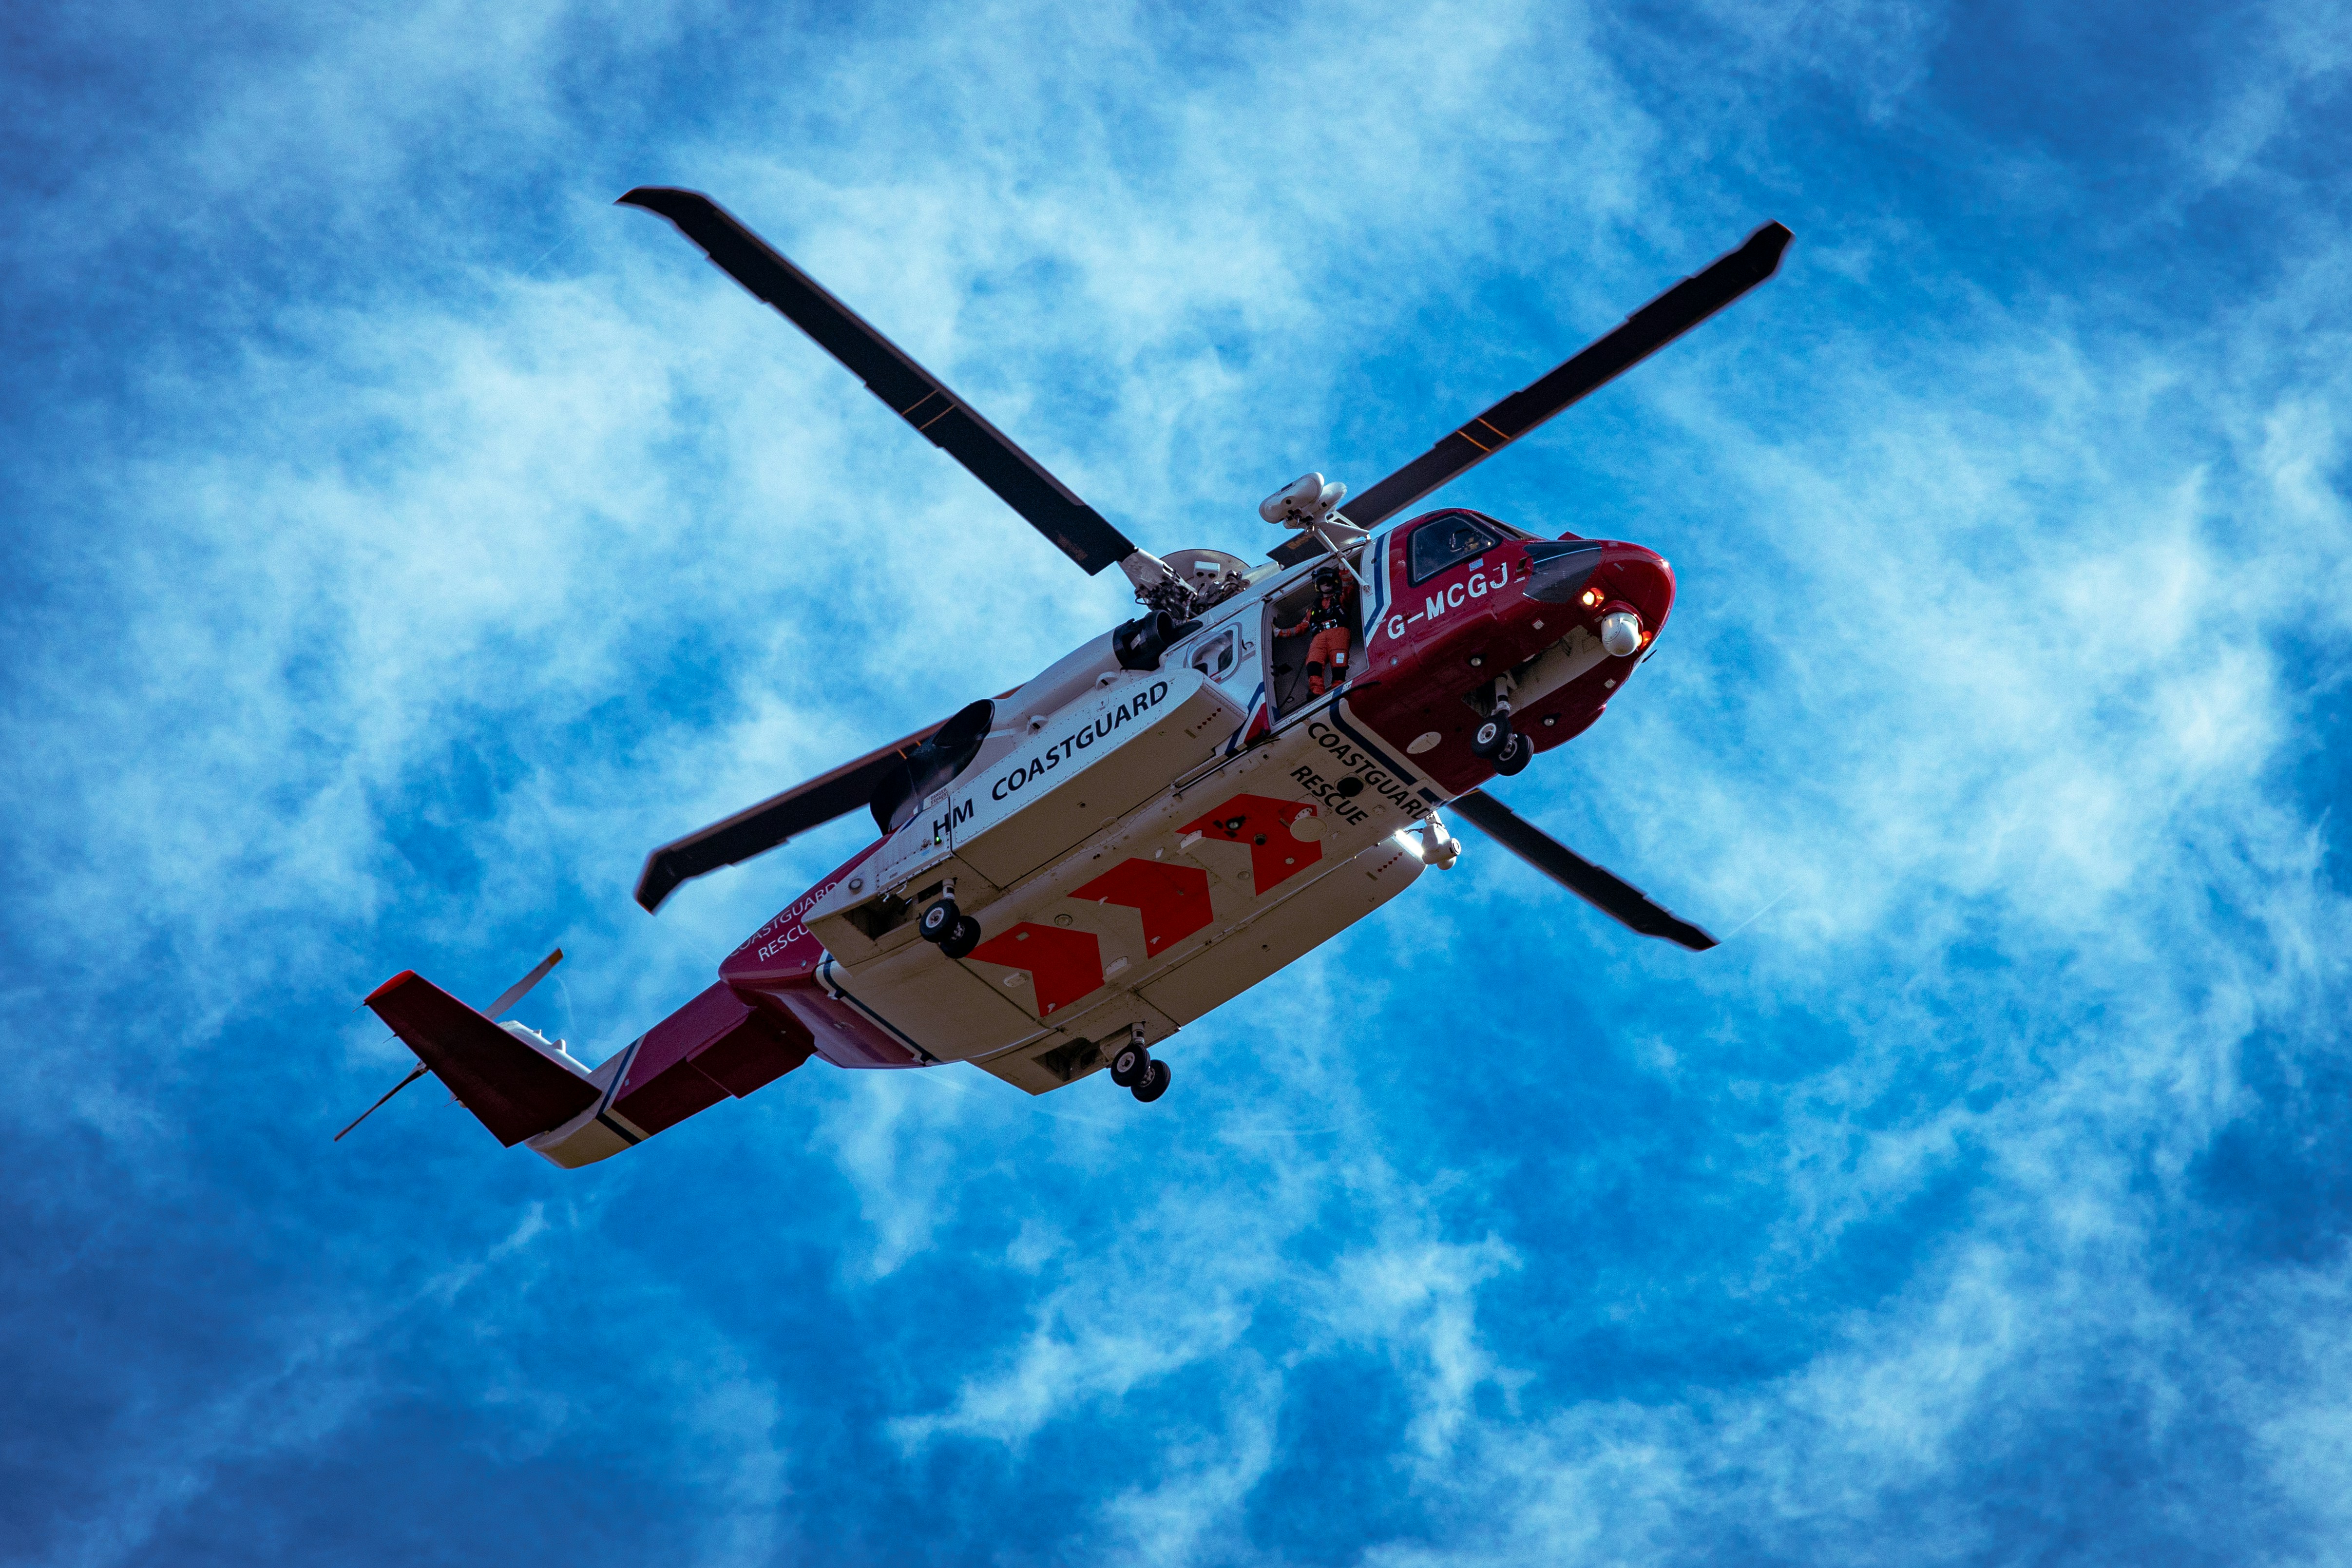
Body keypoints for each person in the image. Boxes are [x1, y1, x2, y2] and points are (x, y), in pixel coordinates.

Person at [1275, 567, 1356, 696]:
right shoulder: (1313, 609)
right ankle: (1316, 692)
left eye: (1328, 581)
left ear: (1334, 582)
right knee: (1313, 663)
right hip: (1319, 638)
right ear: (1319, 586)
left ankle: (1338, 689)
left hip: (1339, 634)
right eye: (1323, 582)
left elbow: (1349, 587)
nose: (1326, 584)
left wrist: (1344, 569)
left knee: (1339, 666)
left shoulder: (1341, 599)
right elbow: (1300, 628)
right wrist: (1278, 632)